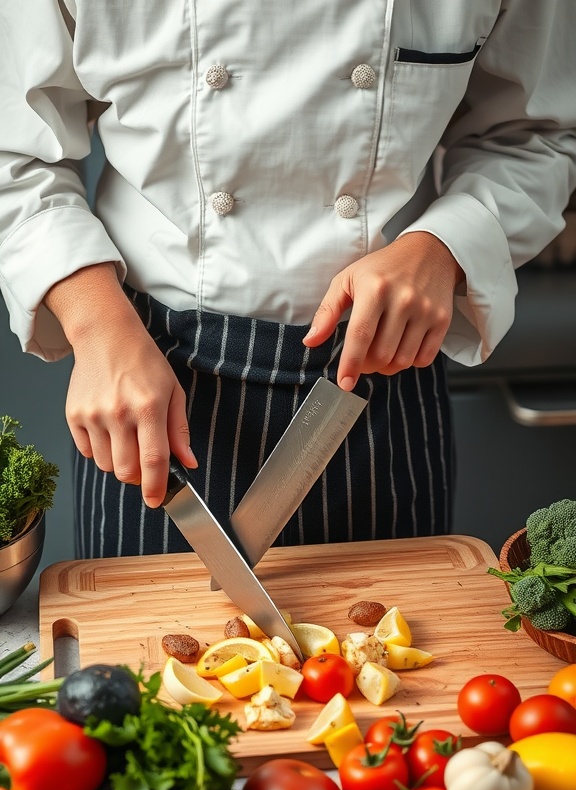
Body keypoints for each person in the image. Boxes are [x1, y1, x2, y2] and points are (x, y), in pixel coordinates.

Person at [0, 1, 575, 559]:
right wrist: (98, 328)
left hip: (381, 366)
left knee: (397, 649)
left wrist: (442, 248)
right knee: (135, 657)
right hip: (148, 380)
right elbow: (15, 156)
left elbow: (536, 136)